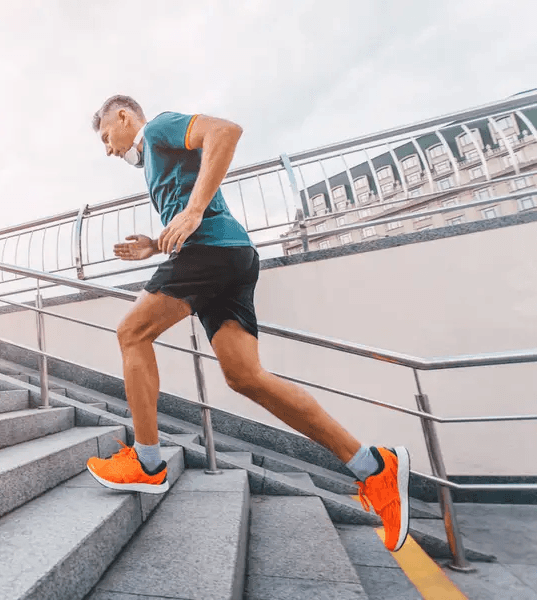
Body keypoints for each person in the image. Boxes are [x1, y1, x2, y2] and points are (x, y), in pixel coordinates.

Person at [85, 95, 411, 552]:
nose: (108, 149)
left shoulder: (157, 129)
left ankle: (147, 462)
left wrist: (194, 211)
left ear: (123, 116)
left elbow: (225, 131)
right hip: (230, 257)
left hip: (211, 253)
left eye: (105, 137)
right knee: (246, 377)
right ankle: (374, 466)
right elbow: (190, 209)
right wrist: (156, 246)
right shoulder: (155, 162)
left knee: (131, 332)